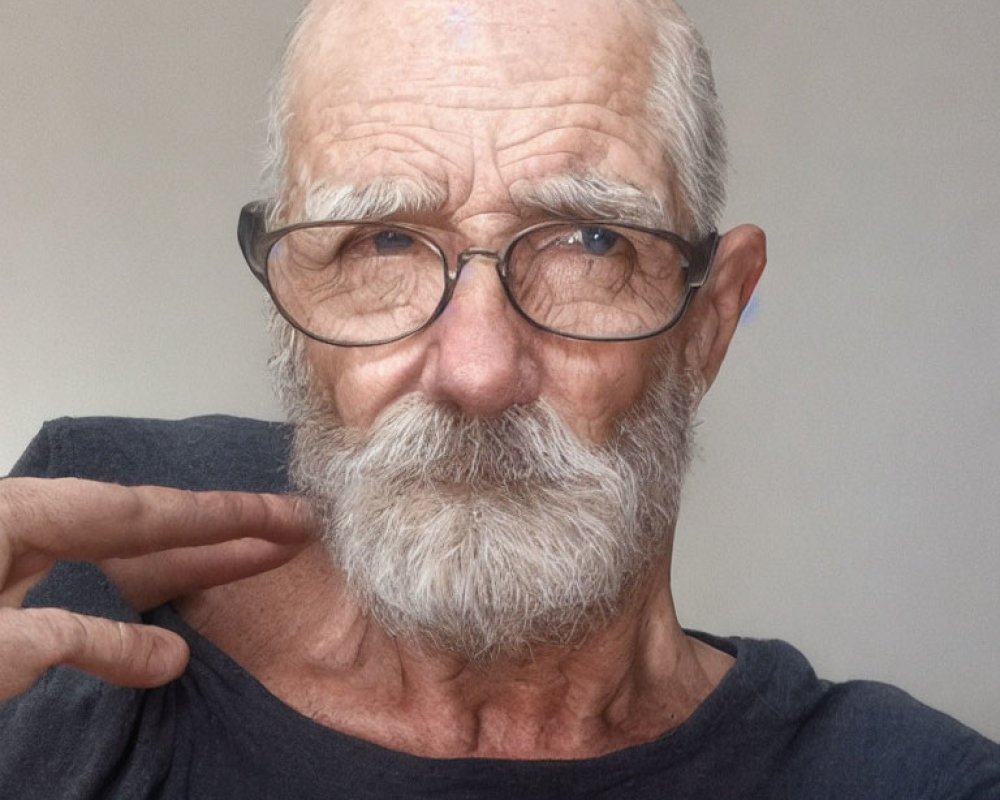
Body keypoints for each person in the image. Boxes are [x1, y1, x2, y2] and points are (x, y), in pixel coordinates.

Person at [0, 0, 997, 796]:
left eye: (590, 240)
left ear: (711, 319)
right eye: (382, 239)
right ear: (288, 305)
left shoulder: (912, 778)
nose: (476, 373)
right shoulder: (66, 590)